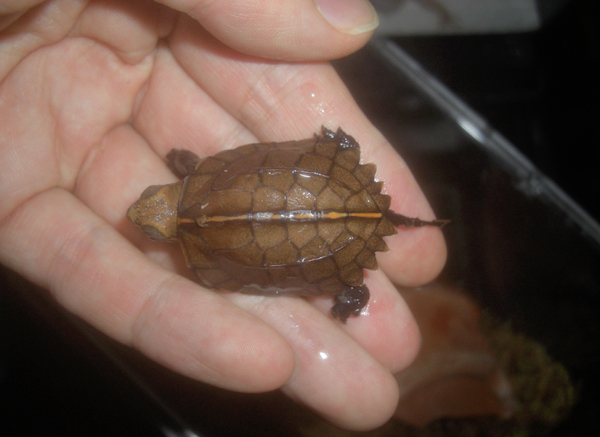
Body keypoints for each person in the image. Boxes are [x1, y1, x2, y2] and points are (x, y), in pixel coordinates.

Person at [0, 0, 447, 431]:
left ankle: (354, 291)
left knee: (340, 281)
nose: (136, 211)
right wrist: (336, 152)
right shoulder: (201, 177)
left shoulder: (207, 265)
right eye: (151, 214)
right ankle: (346, 185)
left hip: (333, 217)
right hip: (332, 180)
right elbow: (194, 164)